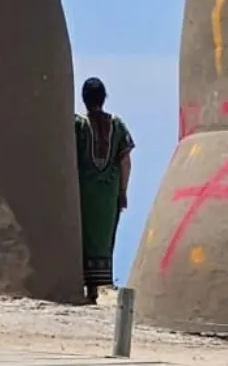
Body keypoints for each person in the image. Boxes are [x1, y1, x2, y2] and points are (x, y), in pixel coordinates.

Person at [74, 77, 134, 304]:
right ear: (104, 97)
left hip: (83, 192)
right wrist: (123, 190)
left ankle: (84, 285)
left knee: (83, 235)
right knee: (103, 237)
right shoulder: (118, 126)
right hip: (108, 194)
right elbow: (126, 160)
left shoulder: (77, 125)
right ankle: (95, 289)